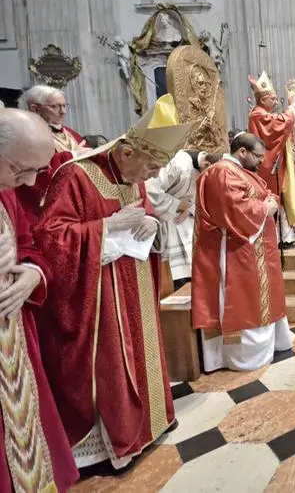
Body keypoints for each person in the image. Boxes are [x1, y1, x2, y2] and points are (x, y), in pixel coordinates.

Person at [35, 95, 195, 470]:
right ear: (126, 152)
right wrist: (104, 228)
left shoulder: (132, 176)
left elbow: (144, 214)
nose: (153, 176)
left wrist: (151, 223)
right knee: (113, 360)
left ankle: (152, 422)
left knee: (143, 351)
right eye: (152, 165)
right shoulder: (76, 175)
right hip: (99, 296)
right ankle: (113, 442)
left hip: (134, 282)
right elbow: (48, 237)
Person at [0, 110, 79, 492]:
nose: (29, 182)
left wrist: (33, 272)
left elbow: (32, 244)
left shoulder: (8, 194)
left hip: (14, 338)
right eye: (21, 170)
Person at [191, 133, 294, 372]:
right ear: (242, 152)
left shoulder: (240, 171)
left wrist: (268, 201)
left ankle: (271, 345)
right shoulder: (222, 173)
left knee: (263, 296)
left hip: (254, 248)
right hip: (235, 252)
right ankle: (243, 356)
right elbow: (235, 211)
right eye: (258, 156)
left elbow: (265, 192)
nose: (261, 161)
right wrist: (265, 207)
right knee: (245, 301)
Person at [145, 149, 220, 291]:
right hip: (168, 225)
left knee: (192, 278)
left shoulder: (208, 168)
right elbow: (149, 190)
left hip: (188, 225)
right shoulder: (178, 164)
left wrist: (190, 207)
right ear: (206, 163)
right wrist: (176, 204)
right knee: (175, 281)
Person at [17, 85, 88, 221]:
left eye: (64, 106)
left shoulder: (70, 133)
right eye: (55, 106)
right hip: (44, 210)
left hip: (77, 201)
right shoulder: (26, 136)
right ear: (35, 108)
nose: (63, 112)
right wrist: (71, 156)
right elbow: (34, 177)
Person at [247, 72, 295, 245]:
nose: (276, 102)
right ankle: (276, 238)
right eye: (273, 99)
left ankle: (285, 236)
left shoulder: (262, 112)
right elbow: (277, 125)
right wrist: (291, 107)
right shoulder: (257, 114)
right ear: (263, 100)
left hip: (274, 163)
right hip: (265, 165)